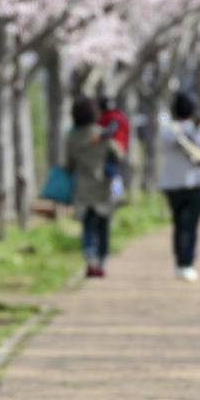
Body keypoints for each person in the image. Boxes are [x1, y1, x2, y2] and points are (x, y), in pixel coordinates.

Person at [158, 92, 200, 281]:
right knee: (191, 226)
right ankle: (187, 263)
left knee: (179, 224)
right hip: (195, 183)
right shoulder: (198, 129)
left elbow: (165, 137)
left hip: (172, 184)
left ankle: (180, 262)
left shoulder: (167, 129)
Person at [64, 97, 126, 279]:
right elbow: (119, 154)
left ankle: (90, 258)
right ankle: (101, 260)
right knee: (103, 226)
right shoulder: (102, 134)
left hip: (83, 187)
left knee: (88, 226)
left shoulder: (72, 137)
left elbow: (69, 164)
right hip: (102, 187)